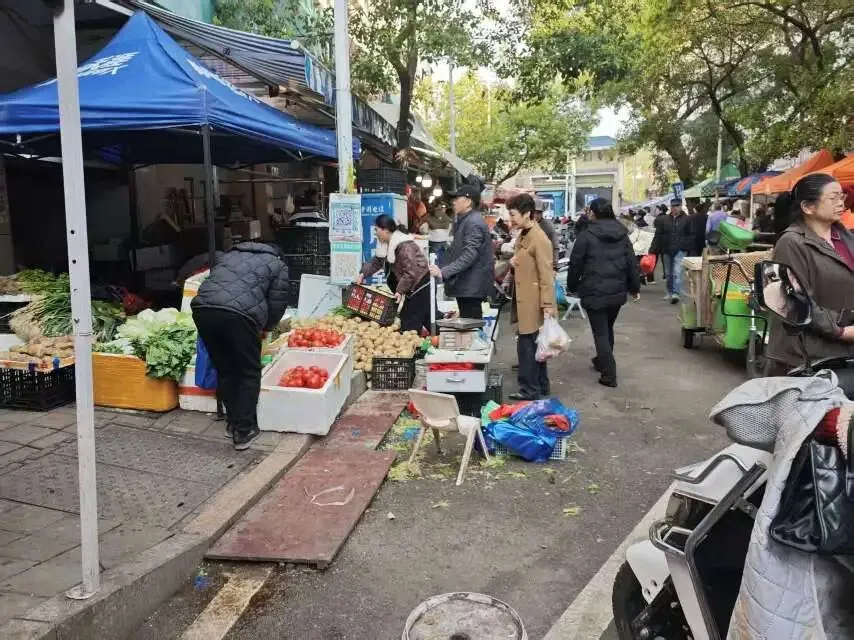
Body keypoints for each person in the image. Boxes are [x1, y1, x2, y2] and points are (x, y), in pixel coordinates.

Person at [191, 242, 289, 450]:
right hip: (240, 316)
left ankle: (232, 423)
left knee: (225, 369)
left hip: (203, 310)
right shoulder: (277, 264)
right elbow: (277, 303)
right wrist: (267, 328)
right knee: (247, 372)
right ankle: (244, 430)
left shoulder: (227, 256)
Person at [766, 173, 854, 374]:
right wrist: (841, 331)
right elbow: (795, 301)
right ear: (808, 207)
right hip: (807, 357)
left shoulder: (845, 237)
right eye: (833, 198)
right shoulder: (791, 242)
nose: (841, 203)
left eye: (842, 197)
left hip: (845, 354)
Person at [567, 198, 641, 388]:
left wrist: (572, 286)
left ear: (594, 212)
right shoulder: (622, 235)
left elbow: (576, 263)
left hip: (594, 291)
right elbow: (632, 263)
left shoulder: (586, 235)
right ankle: (602, 361)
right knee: (607, 329)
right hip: (616, 292)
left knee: (600, 333)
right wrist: (634, 288)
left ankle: (609, 374)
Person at [505, 194, 556, 400]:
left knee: (527, 348)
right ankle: (541, 386)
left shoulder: (539, 238)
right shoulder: (524, 234)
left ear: (527, 214)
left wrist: (547, 304)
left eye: (513, 215)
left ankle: (529, 389)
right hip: (525, 298)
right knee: (536, 347)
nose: (511, 219)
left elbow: (546, 274)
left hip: (534, 302)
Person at [429, 184, 494, 319]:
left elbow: (470, 255)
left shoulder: (473, 222)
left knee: (471, 329)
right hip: (468, 285)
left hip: (471, 286)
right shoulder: (465, 220)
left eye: (457, 198)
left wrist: (444, 271)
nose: (454, 201)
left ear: (468, 201)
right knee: (469, 327)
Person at [357, 215, 431, 333]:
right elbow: (376, 262)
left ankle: (415, 345)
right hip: (411, 286)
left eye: (377, 229)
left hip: (420, 286)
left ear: (386, 230)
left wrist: (399, 290)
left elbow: (411, 272)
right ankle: (444, 336)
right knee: (428, 316)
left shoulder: (405, 246)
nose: (375, 233)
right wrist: (362, 274)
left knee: (409, 322)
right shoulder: (385, 244)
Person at [533, 197, 560, 270]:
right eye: (534, 212)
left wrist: (554, 263)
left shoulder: (548, 226)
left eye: (538, 213)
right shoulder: (527, 225)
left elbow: (555, 246)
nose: (536, 215)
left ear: (542, 213)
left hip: (545, 262)